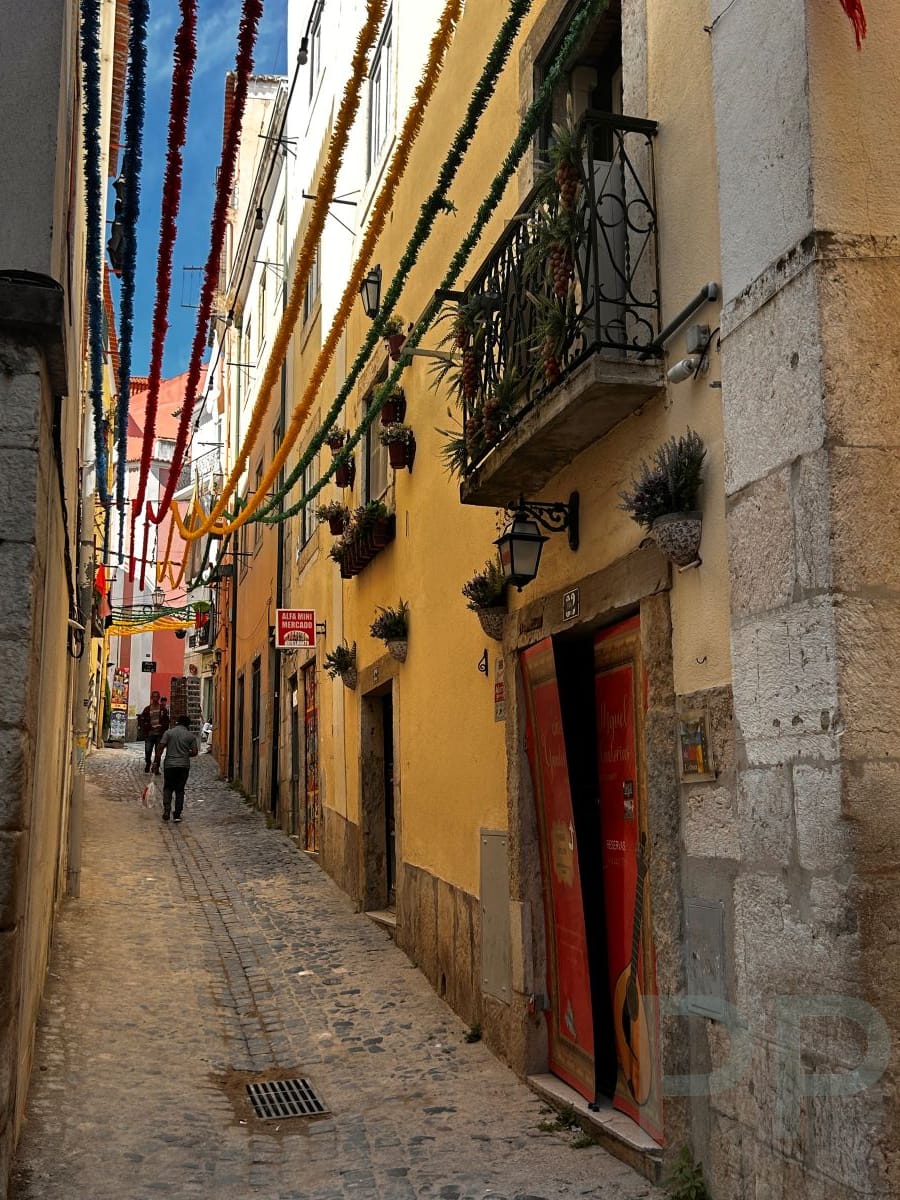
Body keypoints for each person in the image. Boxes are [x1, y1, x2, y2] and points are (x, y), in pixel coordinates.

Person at [152, 715, 199, 823]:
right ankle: (177, 814)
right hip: (183, 766)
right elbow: (195, 752)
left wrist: (156, 762)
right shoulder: (190, 736)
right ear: (188, 725)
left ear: (177, 723)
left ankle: (166, 810)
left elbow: (160, 748)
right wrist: (185, 754)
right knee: (180, 789)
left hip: (170, 765)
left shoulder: (169, 733)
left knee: (168, 787)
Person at [138, 691, 169, 772]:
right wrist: (147, 728)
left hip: (159, 734)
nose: (155, 698)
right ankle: (148, 763)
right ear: (151, 698)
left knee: (158, 752)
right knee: (148, 750)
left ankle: (156, 767)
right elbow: (142, 721)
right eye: (154, 697)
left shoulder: (163, 709)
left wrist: (162, 727)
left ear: (158, 698)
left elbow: (166, 721)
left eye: (156, 697)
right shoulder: (147, 709)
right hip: (150, 734)